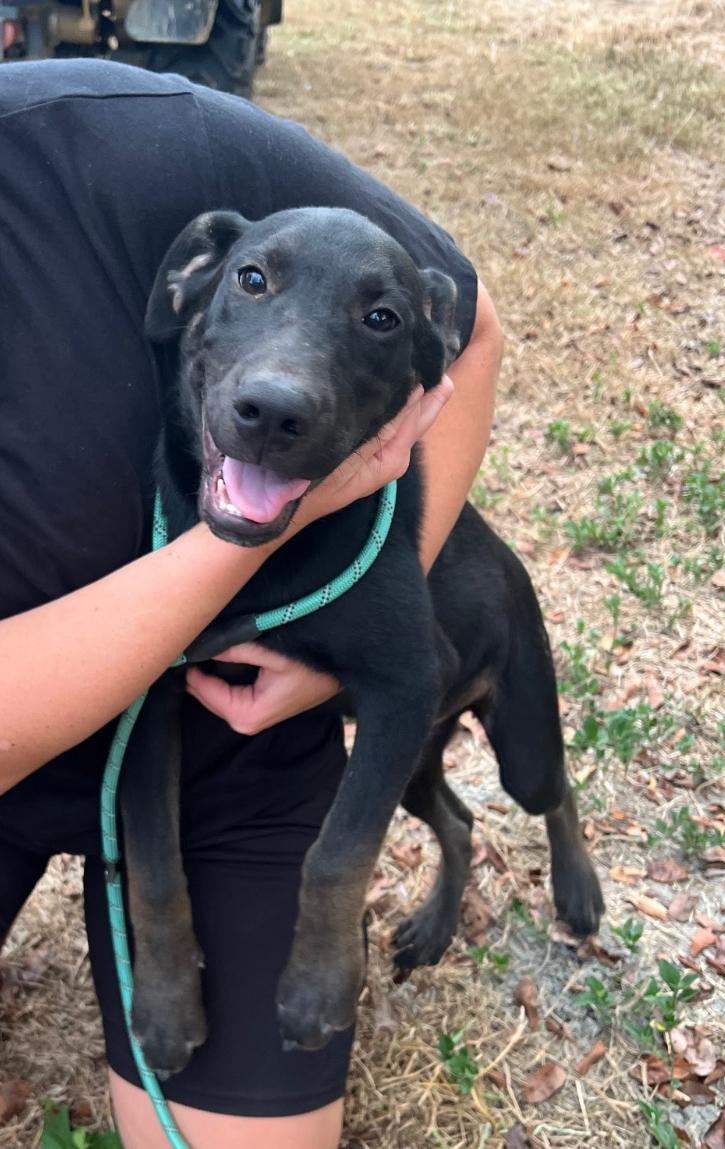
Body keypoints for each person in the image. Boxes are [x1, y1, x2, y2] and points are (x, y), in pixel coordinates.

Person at [0, 59, 503, 1149]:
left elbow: (466, 332)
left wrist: (359, 604)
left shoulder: (116, 139)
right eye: (257, 292)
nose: (277, 388)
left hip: (233, 763)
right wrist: (157, 915)